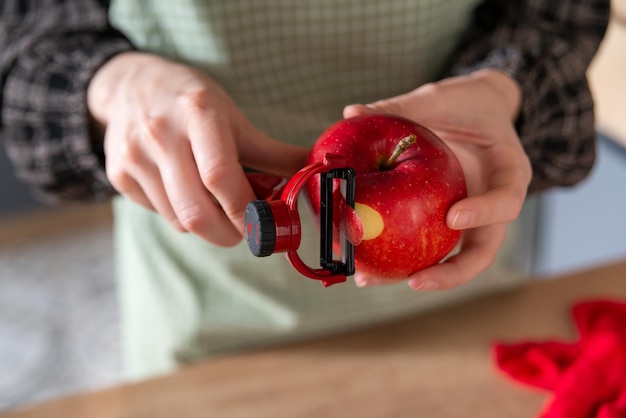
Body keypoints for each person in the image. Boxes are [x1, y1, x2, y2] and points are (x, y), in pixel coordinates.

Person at [0, 0, 609, 380]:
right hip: (210, 314)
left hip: (469, 289)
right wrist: (113, 84)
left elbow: (558, 11)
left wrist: (505, 85)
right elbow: (25, 27)